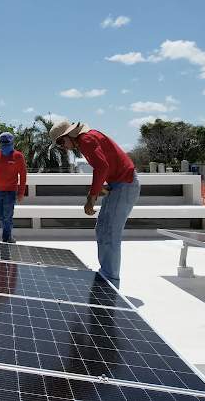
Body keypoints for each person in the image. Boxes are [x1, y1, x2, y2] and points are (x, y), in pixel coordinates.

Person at [50, 120, 139, 288]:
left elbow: (102, 167)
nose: (63, 147)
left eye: (61, 142)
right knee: (102, 230)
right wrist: (101, 188)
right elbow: (107, 164)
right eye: (59, 145)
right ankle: (107, 274)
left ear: (69, 135)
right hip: (118, 184)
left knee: (110, 233)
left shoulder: (86, 140)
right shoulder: (87, 139)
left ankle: (111, 281)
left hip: (125, 184)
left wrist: (91, 198)